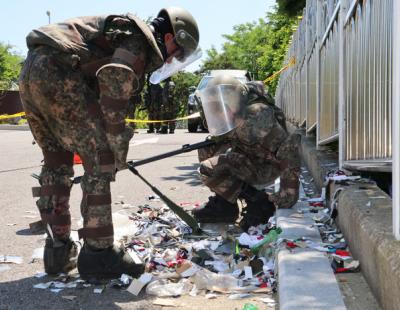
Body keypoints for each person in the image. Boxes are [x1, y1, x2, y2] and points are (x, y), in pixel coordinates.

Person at [19, 7, 199, 280]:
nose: (175, 58)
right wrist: (116, 143)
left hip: (32, 74)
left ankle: (57, 253)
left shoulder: (119, 32)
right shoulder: (139, 39)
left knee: (56, 165)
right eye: (180, 51)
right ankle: (99, 255)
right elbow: (115, 77)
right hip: (59, 74)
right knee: (101, 161)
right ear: (171, 37)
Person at [193, 75, 301, 230]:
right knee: (207, 149)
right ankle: (225, 206)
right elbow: (225, 137)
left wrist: (288, 192)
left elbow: (288, 148)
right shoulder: (235, 116)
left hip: (268, 167)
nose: (216, 113)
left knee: (212, 166)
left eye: (219, 108)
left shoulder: (256, 118)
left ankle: (259, 203)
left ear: (232, 104)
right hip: (252, 156)